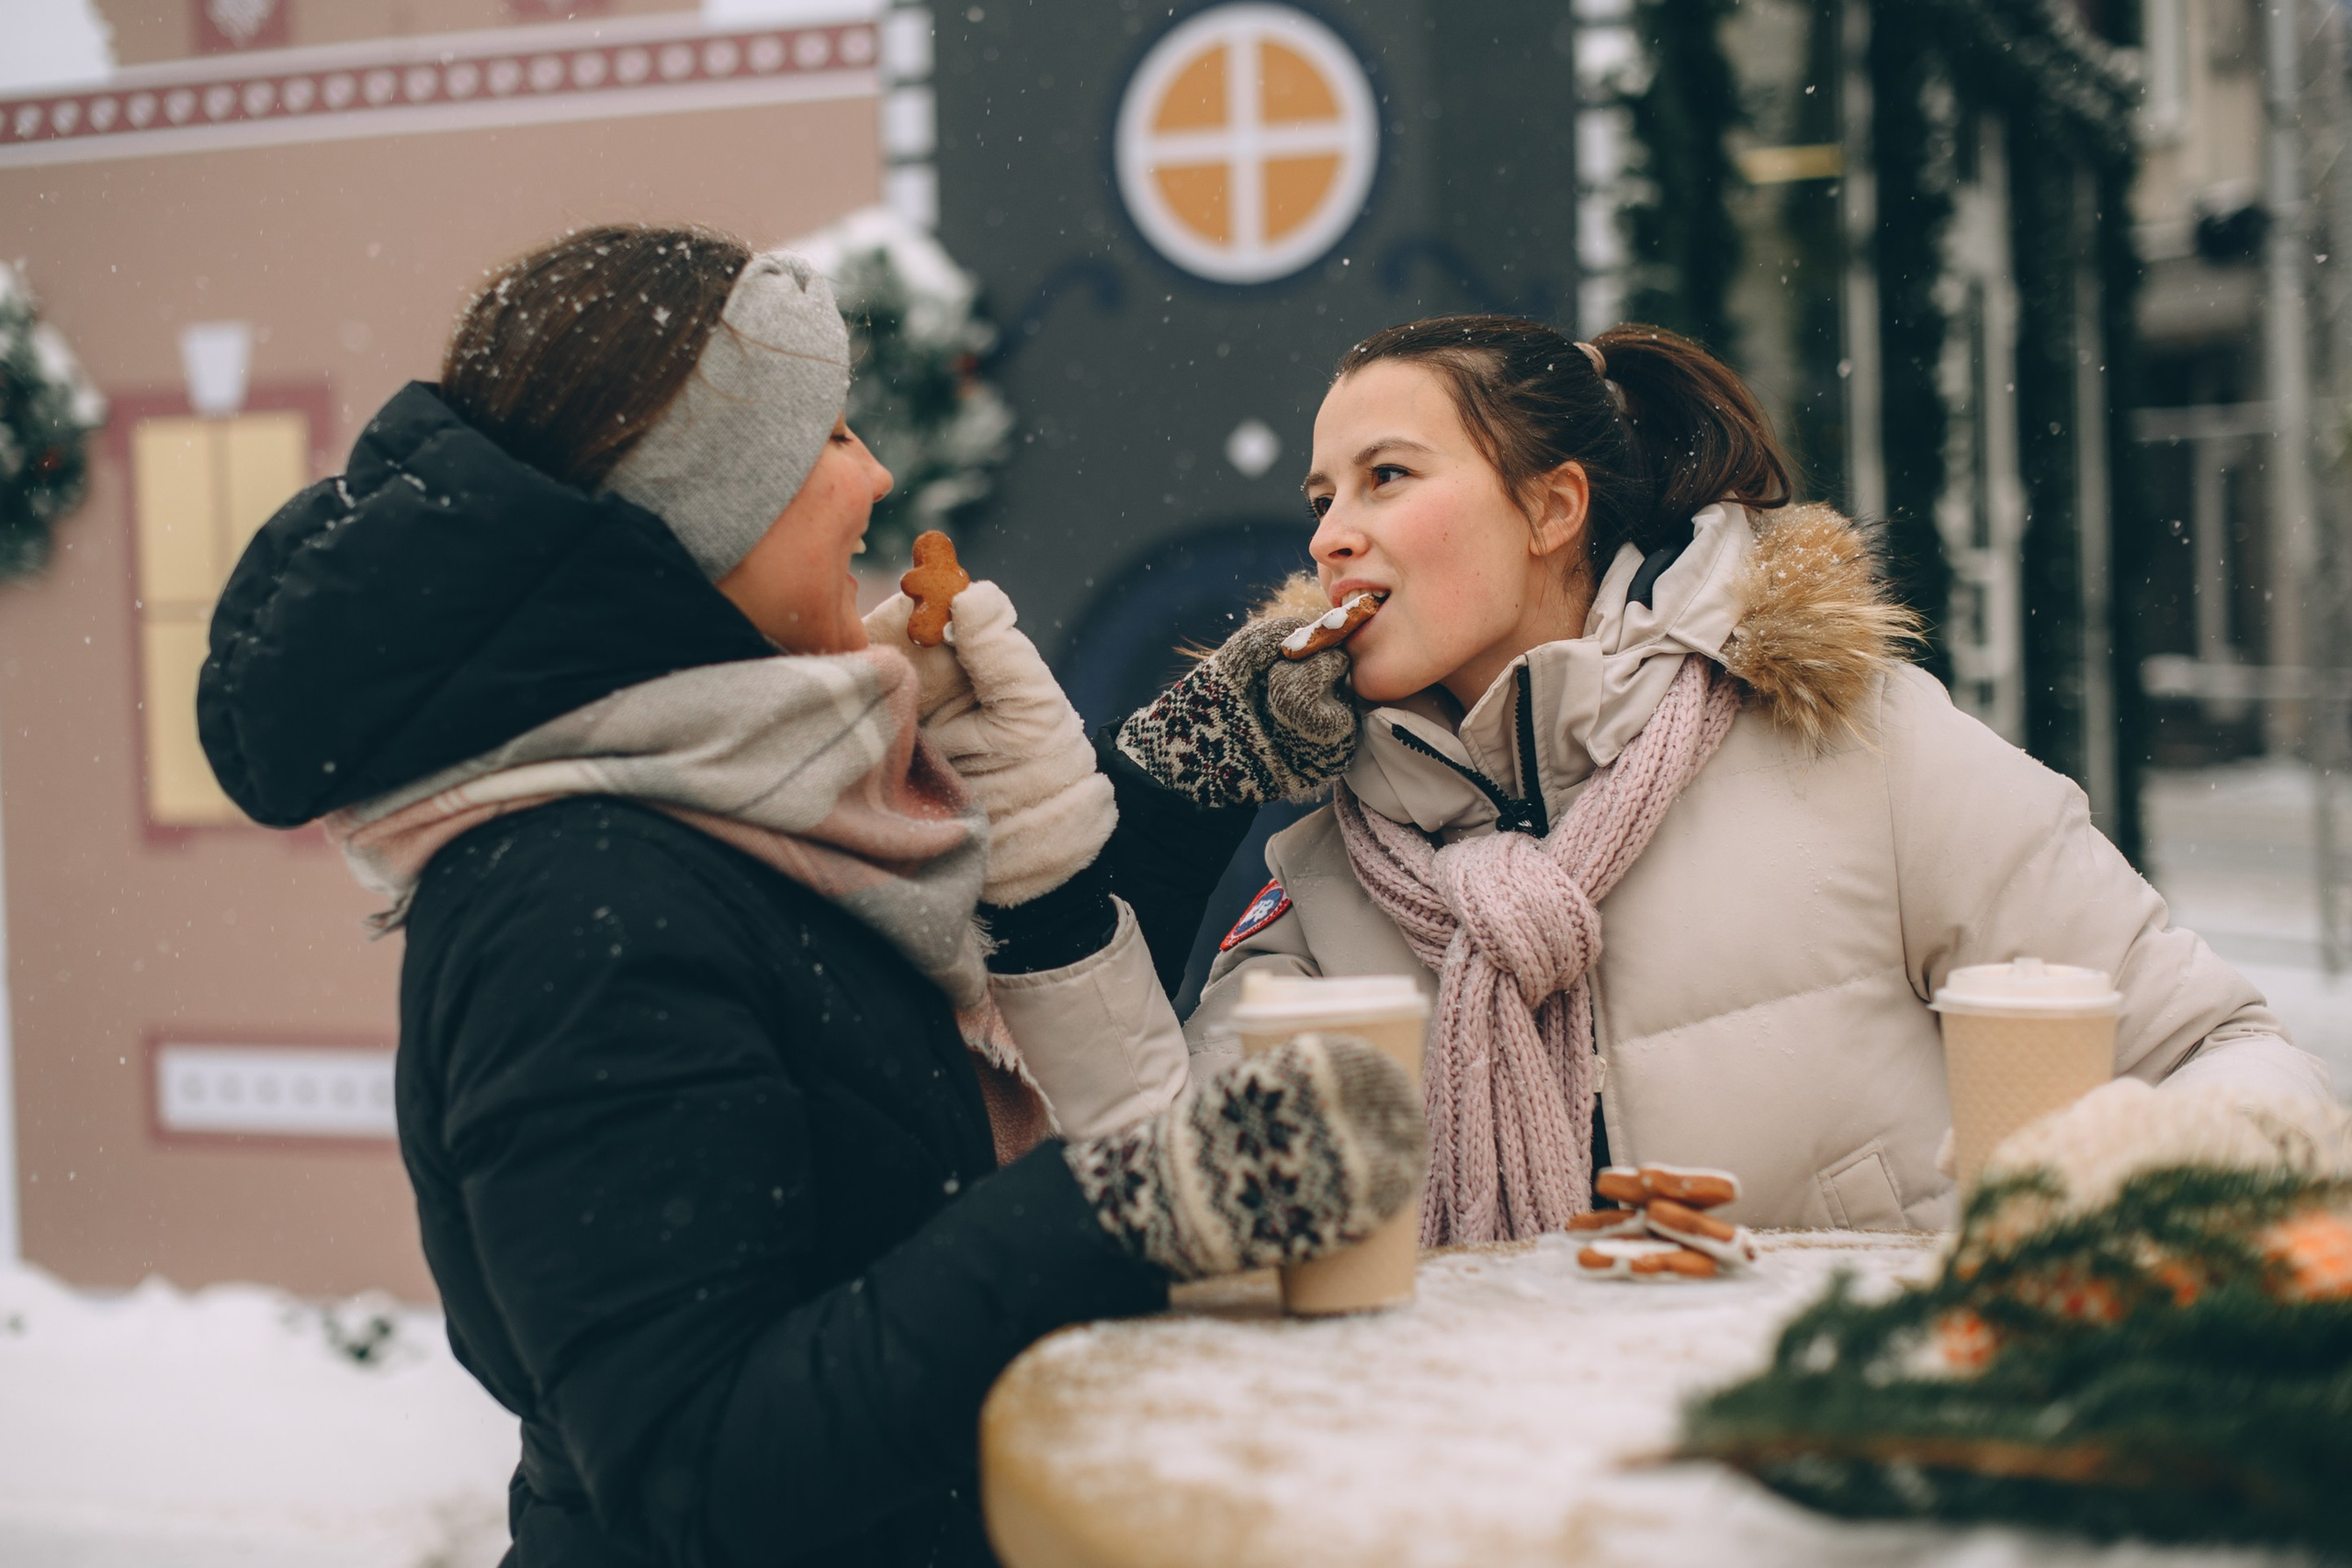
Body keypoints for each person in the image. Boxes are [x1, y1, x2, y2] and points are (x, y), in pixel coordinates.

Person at [195, 223, 1425, 1566]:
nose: (877, 474)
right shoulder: (572, 901)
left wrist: (1181, 770)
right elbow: (703, 1470)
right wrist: (1127, 1206)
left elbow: (910, 1103)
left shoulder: (718, 817)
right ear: (712, 500)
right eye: (829, 437)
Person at [1116, 315, 2333, 1244]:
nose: (1331, 532)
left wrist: (2104, 1189)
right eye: (1322, 497)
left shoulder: (1855, 744)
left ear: (1552, 509)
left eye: (1388, 477)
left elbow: (2225, 1047)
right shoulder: (1326, 865)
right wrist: (1182, 785)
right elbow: (1149, 1198)